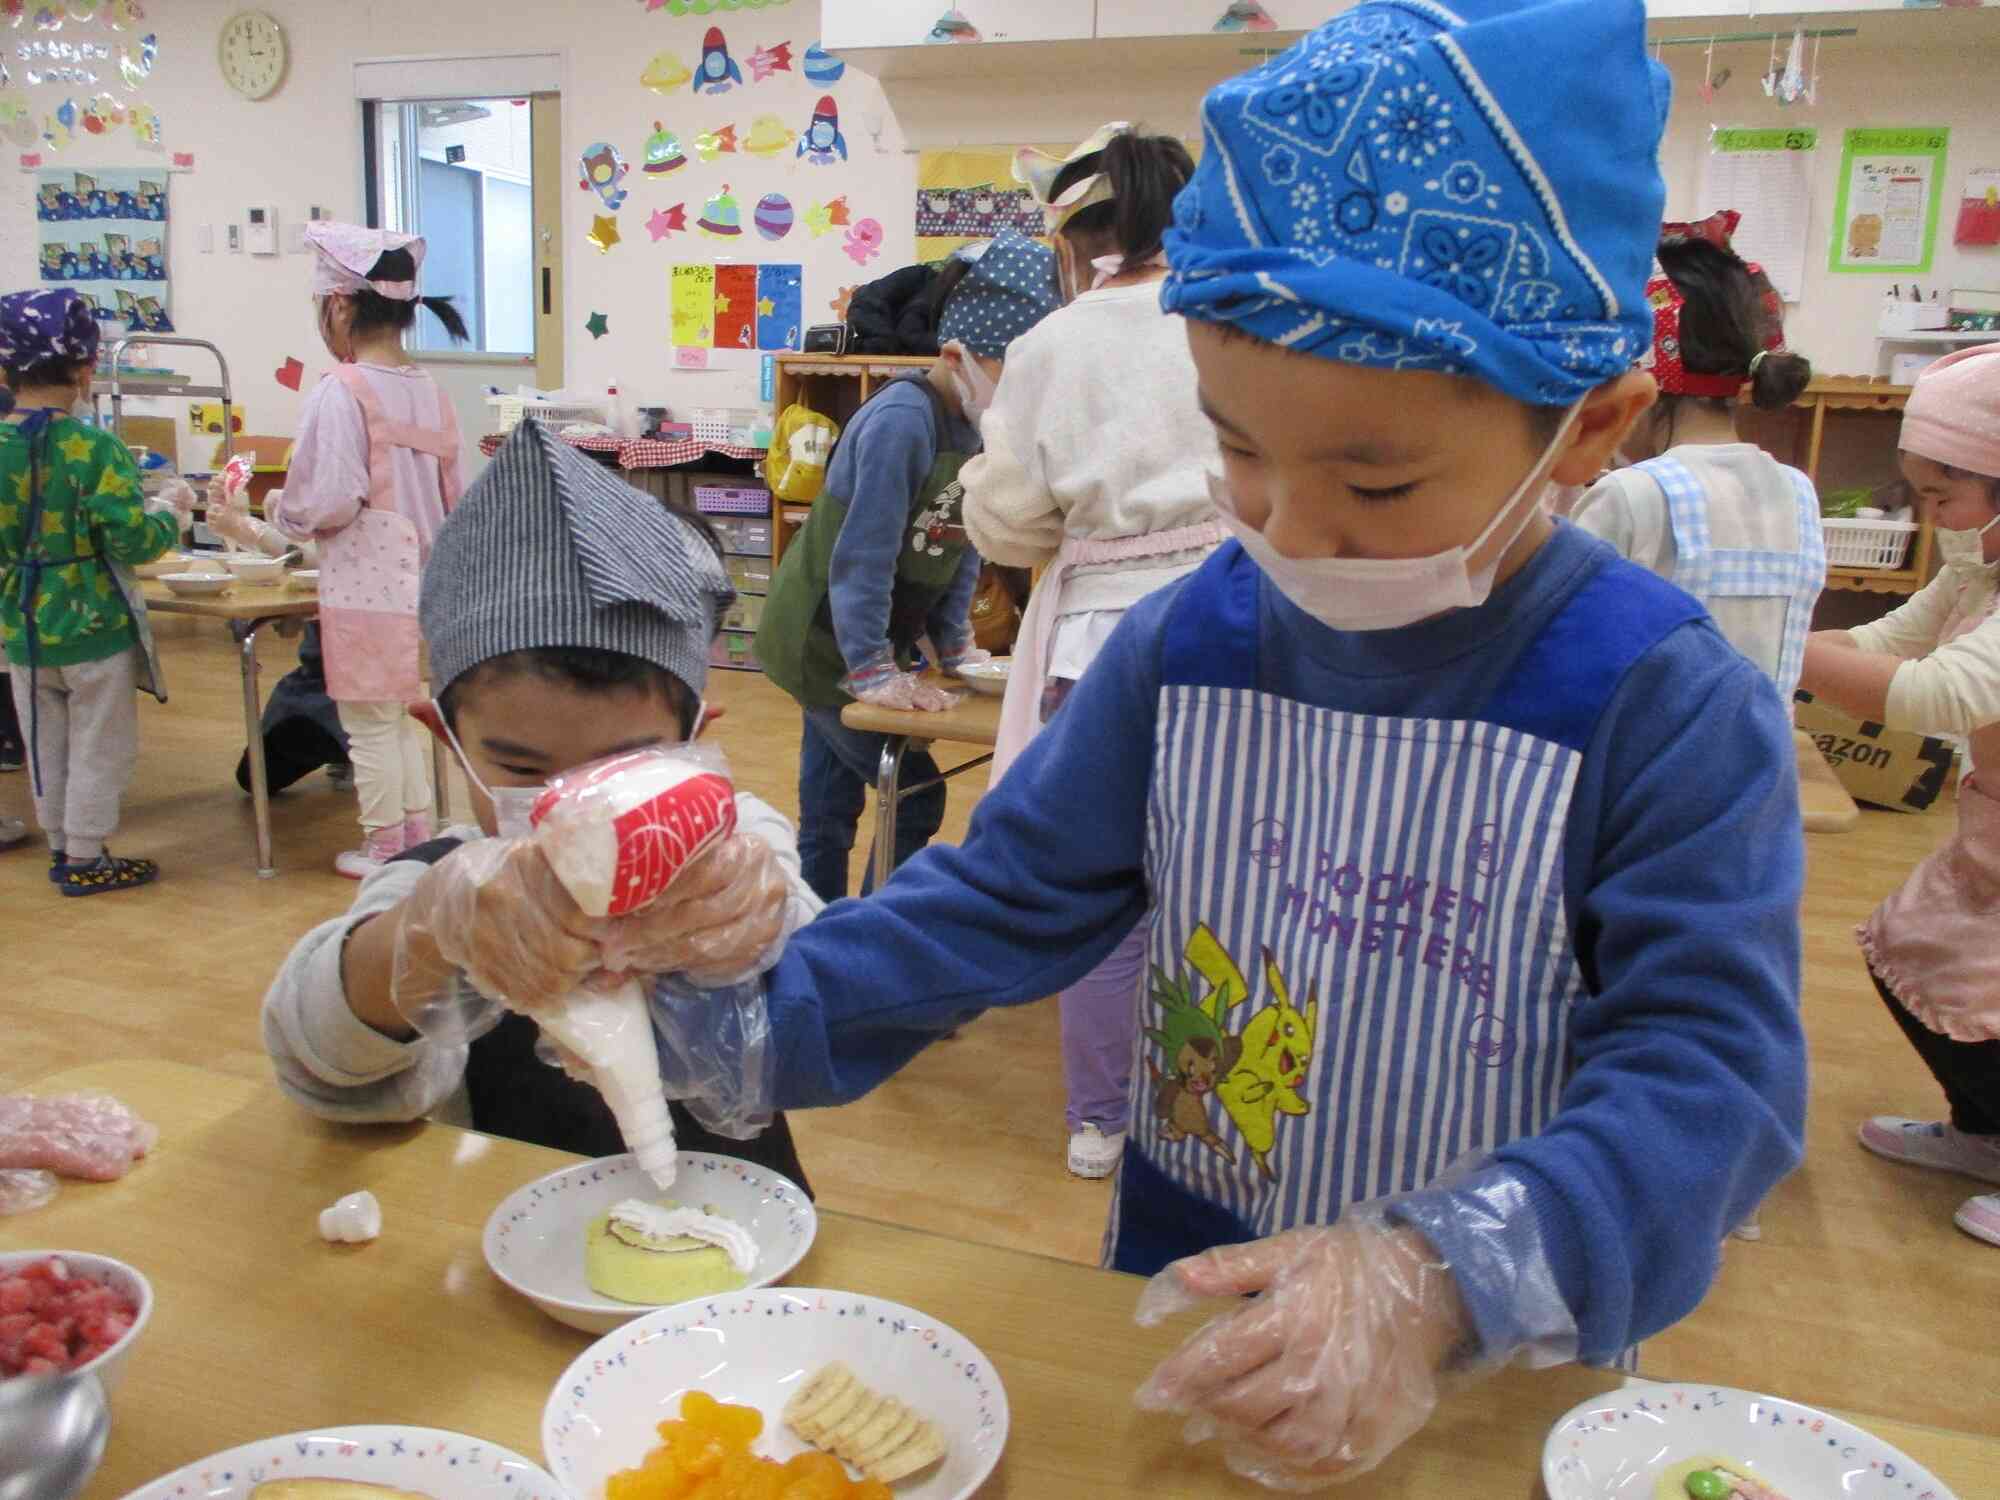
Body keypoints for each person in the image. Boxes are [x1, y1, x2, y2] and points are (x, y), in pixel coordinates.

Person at [690, 2, 1809, 1484]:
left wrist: (1443, 1275)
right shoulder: (1192, 643)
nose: (1283, 523)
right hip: (1192, 1280)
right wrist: (743, 1018)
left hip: (1483, 1345)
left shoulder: (1660, 707)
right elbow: (1000, 901)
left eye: (1378, 478)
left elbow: (1712, 1076)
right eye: (1237, 448)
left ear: (1590, 429)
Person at [261, 420, 821, 1185]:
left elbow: (816, 974)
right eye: (523, 769)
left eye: (623, 767)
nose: (571, 809)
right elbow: (312, 1061)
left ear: (695, 743)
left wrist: (759, 918)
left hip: (740, 1231)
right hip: (514, 1238)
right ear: (444, 736)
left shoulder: (735, 842)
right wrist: (424, 935)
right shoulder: (446, 882)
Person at [960, 124, 1223, 1181]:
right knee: (1220, 884)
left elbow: (1011, 521)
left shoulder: (1052, 345)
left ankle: (1101, 1119)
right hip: (1234, 625)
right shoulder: (1230, 315)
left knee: (1104, 889)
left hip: (1098, 640)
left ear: (1071, 237)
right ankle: (1213, 1104)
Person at [756, 228, 1060, 903]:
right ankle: (862, 940)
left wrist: (954, 643)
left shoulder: (975, 427)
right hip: (822, 640)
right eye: (1014, 381)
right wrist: (870, 670)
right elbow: (861, 558)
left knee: (829, 810)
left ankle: (824, 928)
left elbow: (961, 542)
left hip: (867, 641)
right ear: (956, 355)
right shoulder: (902, 421)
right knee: (914, 798)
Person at [1798, 345, 2000, 1251]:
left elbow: (1933, 694)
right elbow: (1891, 638)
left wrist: (1779, 652)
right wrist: (1777, 635)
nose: (1933, 520)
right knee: (1911, 949)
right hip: (1990, 827)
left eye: (1941, 498)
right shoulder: (1975, 569)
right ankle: (1981, 1133)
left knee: (1986, 997)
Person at [263, 221, 466, 879]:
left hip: (366, 582)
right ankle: (414, 833)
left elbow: (329, 499)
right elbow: (451, 492)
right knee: (399, 712)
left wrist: (278, 512)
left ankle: (385, 844)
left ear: (341, 305)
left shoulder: (342, 389)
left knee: (370, 724)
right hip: (427, 578)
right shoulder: (431, 392)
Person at [1572, 234, 1824, 703]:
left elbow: (1565, 650)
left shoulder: (1632, 494)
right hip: (1762, 764)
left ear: (1642, 380)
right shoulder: (1798, 493)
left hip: (1649, 768)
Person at [0, 288, 186, 891]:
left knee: (43, 745)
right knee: (99, 744)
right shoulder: (96, 447)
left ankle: (58, 844)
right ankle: (86, 856)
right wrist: (171, 513)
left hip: (22, 625)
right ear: (85, 370)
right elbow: (133, 542)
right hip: (93, 625)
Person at [205, 492, 354, 794]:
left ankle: (349, 744)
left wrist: (251, 529)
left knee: (259, 776)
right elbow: (289, 622)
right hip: (316, 679)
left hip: (353, 681)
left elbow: (320, 560)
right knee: (255, 777)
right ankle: (346, 746)